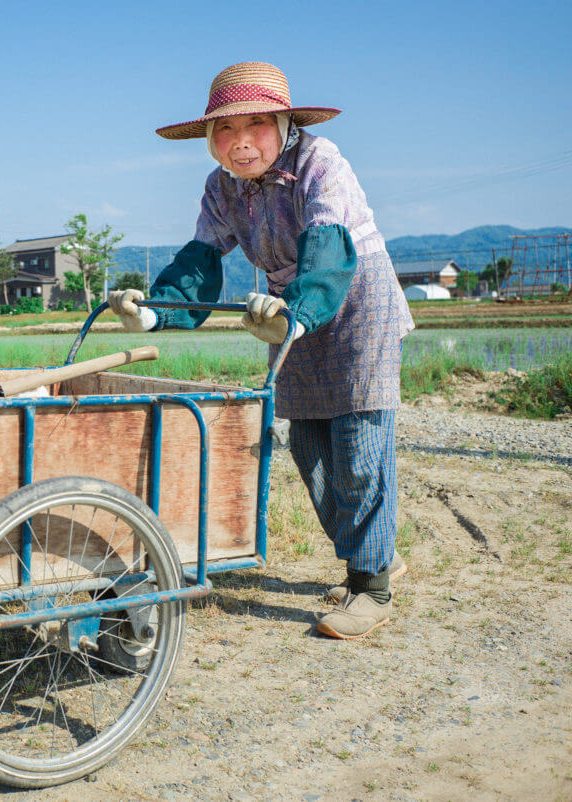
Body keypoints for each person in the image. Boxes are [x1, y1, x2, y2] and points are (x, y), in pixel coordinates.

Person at [109, 62, 412, 639]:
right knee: (306, 442)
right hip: (284, 310)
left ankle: (371, 584)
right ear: (209, 137)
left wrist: (297, 314)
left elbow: (327, 245)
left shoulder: (319, 163)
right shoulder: (221, 186)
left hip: (352, 296)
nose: (239, 141)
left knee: (358, 440)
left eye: (254, 124)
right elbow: (200, 260)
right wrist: (153, 311)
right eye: (224, 129)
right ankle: (378, 552)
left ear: (283, 123)